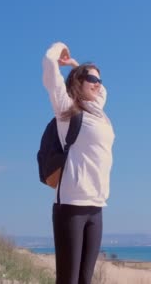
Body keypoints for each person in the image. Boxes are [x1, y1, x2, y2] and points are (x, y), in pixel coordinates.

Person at [42, 42, 115, 284]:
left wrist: (78, 67)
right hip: (71, 207)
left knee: (85, 280)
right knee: (68, 280)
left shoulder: (98, 111)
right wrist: (60, 49)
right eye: (92, 78)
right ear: (78, 82)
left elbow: (102, 91)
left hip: (96, 206)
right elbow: (49, 67)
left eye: (100, 79)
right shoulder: (67, 110)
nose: (98, 84)